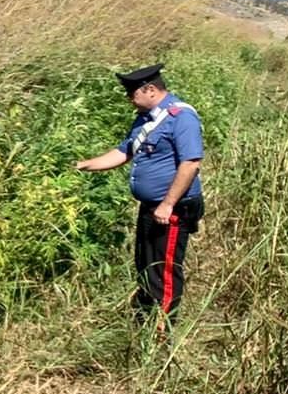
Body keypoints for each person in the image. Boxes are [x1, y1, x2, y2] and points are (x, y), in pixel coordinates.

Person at [74, 64, 204, 324]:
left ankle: (161, 336)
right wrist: (84, 165)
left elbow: (190, 163)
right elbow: (125, 151)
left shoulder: (181, 117)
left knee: (163, 272)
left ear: (151, 90)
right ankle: (142, 322)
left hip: (172, 210)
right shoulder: (145, 118)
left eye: (132, 94)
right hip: (151, 207)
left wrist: (168, 204)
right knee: (146, 266)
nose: (128, 99)